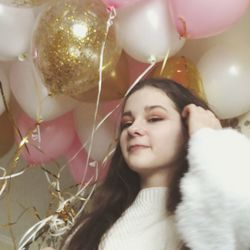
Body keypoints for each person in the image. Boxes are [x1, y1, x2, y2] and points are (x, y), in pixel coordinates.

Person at [46, 78, 250, 250]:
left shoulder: (207, 216)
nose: (134, 129)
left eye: (154, 118)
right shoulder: (90, 229)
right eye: (127, 123)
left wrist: (209, 139)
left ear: (188, 129)